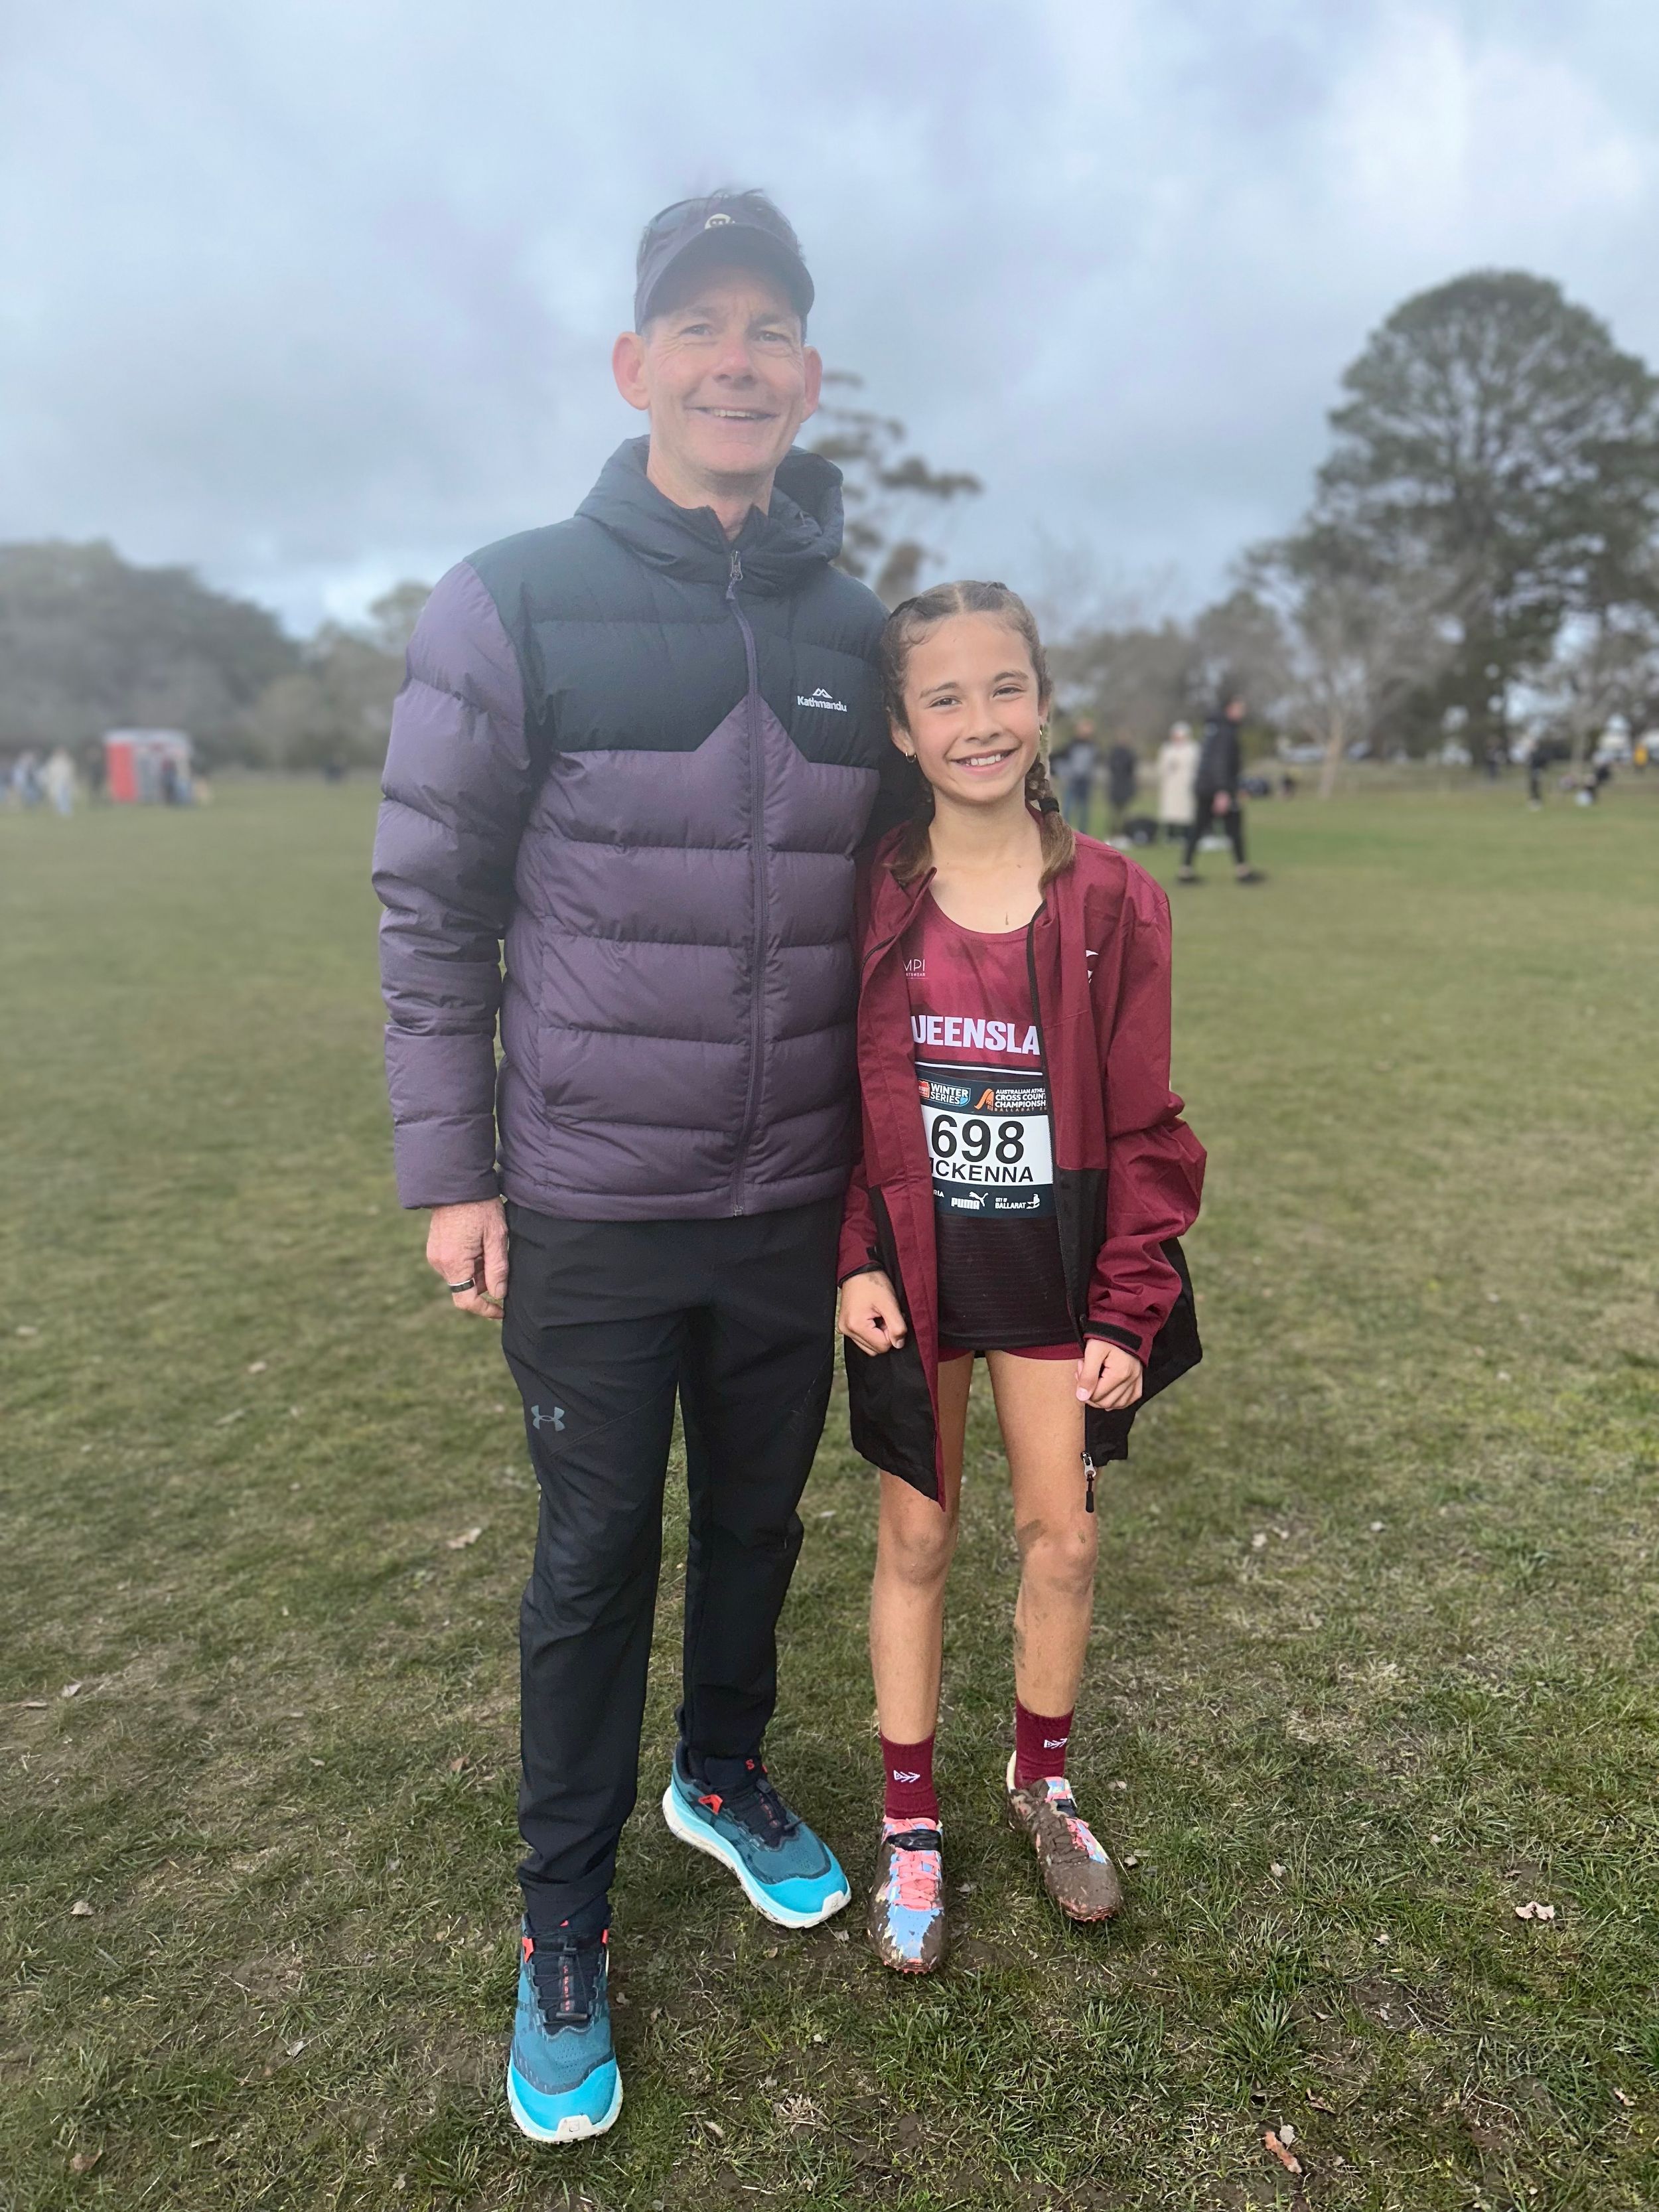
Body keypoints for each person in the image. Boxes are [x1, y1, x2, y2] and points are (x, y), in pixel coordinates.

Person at [373, 190, 897, 2144]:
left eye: (768, 328)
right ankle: (563, 1920)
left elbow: (910, 908)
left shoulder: (860, 631)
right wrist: (458, 1174)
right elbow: (432, 907)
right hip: (589, 1199)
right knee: (594, 1557)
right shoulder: (508, 599)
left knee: (758, 1522)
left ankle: (722, 1774)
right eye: (699, 325)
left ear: (807, 376)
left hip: (789, 1201)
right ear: (633, 366)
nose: (734, 360)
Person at [835, 581, 1204, 1974]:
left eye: (1004, 688)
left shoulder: (1113, 896)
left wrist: (1129, 1301)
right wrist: (850, 1257)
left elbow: (1144, 1120)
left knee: (1065, 1536)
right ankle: (909, 1815)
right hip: (915, 1276)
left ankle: (1039, 1777)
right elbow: (830, 1098)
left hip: (1054, 1276)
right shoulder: (868, 892)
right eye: (944, 696)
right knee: (917, 1538)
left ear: (1042, 704)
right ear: (901, 727)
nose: (979, 720)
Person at [1178, 696, 1261, 884]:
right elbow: (1220, 763)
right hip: (1217, 789)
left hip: (1206, 787)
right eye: (1239, 708)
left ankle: (1185, 870)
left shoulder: (1213, 729)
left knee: (1198, 829)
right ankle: (1243, 871)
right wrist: (1223, 791)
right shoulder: (1225, 732)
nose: (1243, 712)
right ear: (1229, 709)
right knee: (1233, 829)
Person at [1155, 720, 1198, 843]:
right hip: (1171, 784)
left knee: (1186, 810)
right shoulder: (1167, 749)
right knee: (1171, 810)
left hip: (1186, 784)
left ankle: (1186, 834)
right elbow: (1161, 767)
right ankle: (1171, 835)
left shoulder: (1193, 749)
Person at [1056, 716, 1098, 829]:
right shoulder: (1071, 745)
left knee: (1084, 811)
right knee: (1068, 808)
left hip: (1085, 782)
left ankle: (1083, 833)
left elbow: (1094, 763)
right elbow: (1059, 759)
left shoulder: (1092, 746)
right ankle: (1066, 831)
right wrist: (1065, 774)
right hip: (1072, 781)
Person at [1105, 737, 1138, 840]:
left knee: (1124, 813)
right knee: (1115, 813)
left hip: (1124, 787)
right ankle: (1114, 832)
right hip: (1116, 787)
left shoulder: (1129, 755)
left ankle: (1123, 832)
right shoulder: (1114, 754)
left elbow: (1131, 771)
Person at [42, 747, 76, 817]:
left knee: (66, 797)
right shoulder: (53, 762)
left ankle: (66, 811)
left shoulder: (67, 761)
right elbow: (51, 772)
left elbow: (70, 772)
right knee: (58, 797)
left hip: (65, 782)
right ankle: (61, 811)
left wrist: (68, 780)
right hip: (57, 782)